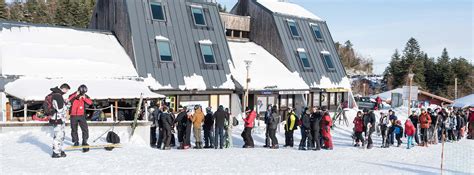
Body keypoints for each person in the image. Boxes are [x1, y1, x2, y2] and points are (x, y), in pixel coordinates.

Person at [68, 84, 93, 151]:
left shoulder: (85, 96)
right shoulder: (73, 95)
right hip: (73, 115)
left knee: (85, 129)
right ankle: (76, 142)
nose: (83, 93)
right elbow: (69, 99)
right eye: (82, 92)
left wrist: (84, 97)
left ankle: (84, 141)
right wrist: (76, 94)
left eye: (84, 92)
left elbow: (90, 102)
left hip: (82, 115)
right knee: (74, 130)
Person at [49, 83, 70, 158]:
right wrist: (67, 105)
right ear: (64, 88)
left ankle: (59, 150)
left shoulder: (56, 95)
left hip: (58, 118)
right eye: (67, 90)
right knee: (58, 135)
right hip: (57, 119)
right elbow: (60, 109)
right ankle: (56, 152)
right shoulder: (58, 96)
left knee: (61, 135)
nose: (66, 92)